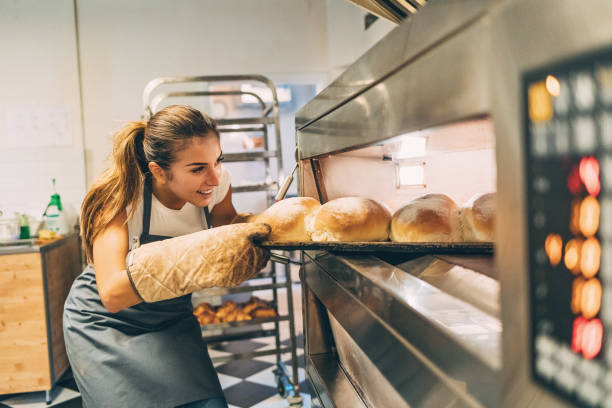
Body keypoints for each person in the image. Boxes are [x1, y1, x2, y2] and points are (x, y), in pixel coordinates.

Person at [63, 105, 271, 408]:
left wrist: (265, 230)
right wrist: (197, 259)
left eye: (218, 161)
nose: (214, 178)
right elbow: (112, 294)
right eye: (197, 168)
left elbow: (227, 239)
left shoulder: (218, 185)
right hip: (105, 323)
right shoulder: (120, 197)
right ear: (158, 171)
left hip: (172, 317)